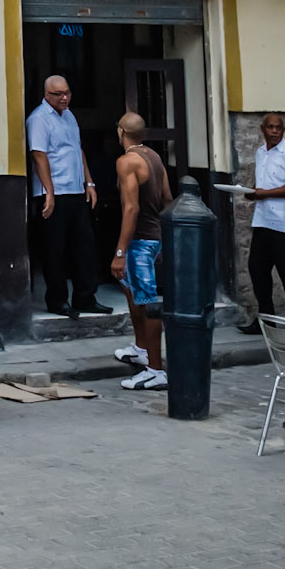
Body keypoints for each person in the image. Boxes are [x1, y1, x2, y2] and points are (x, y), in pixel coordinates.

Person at [27, 74, 111, 318]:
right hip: (53, 193)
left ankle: (85, 297)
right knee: (55, 249)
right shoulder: (39, 119)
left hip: (75, 190)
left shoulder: (70, 116)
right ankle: (57, 300)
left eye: (67, 92)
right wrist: (49, 192)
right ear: (46, 94)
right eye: (58, 94)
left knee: (85, 246)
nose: (64, 98)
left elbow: (78, 150)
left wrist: (90, 182)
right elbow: (39, 155)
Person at [109, 113, 173, 391]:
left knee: (147, 303)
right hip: (155, 236)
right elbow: (168, 198)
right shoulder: (155, 158)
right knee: (132, 291)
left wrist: (121, 251)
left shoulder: (126, 162)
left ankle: (156, 370)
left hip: (141, 241)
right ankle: (141, 349)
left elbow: (131, 208)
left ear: (121, 131)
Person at [245, 113, 285, 329]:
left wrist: (266, 193)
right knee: (257, 270)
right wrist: (253, 193)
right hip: (263, 221)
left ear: (283, 130)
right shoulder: (261, 153)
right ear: (262, 129)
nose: (273, 131)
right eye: (270, 127)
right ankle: (266, 320)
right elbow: (265, 182)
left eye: (278, 128)